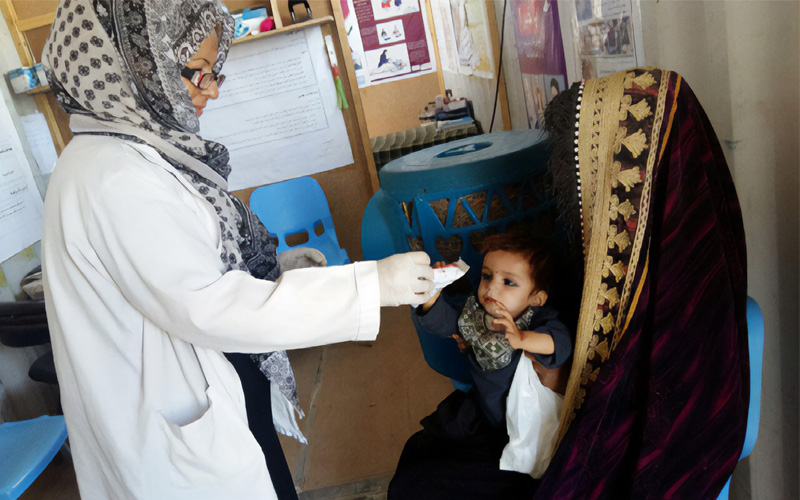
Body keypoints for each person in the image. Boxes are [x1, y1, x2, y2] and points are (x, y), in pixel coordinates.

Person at [40, 1, 434, 499]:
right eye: (196, 72)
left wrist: (278, 270)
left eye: (215, 73)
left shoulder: (139, 151)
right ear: (134, 67)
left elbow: (184, 266)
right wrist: (371, 284)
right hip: (179, 422)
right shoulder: (114, 177)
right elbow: (207, 306)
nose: (210, 92)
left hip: (214, 381)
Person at [389, 67, 749, 499]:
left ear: (629, 183)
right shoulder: (600, 266)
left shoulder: (671, 292)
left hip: (564, 441)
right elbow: (452, 320)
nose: (575, 196)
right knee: (420, 457)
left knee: (423, 480)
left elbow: (574, 363)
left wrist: (528, 346)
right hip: (507, 419)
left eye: (584, 176)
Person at [412, 231, 572, 477]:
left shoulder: (537, 319)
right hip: (484, 407)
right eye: (487, 276)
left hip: (523, 417)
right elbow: (448, 323)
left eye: (509, 282)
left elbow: (560, 344)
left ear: (536, 297)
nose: (491, 288)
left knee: (526, 458)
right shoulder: (476, 313)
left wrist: (522, 339)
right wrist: (432, 299)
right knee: (442, 432)